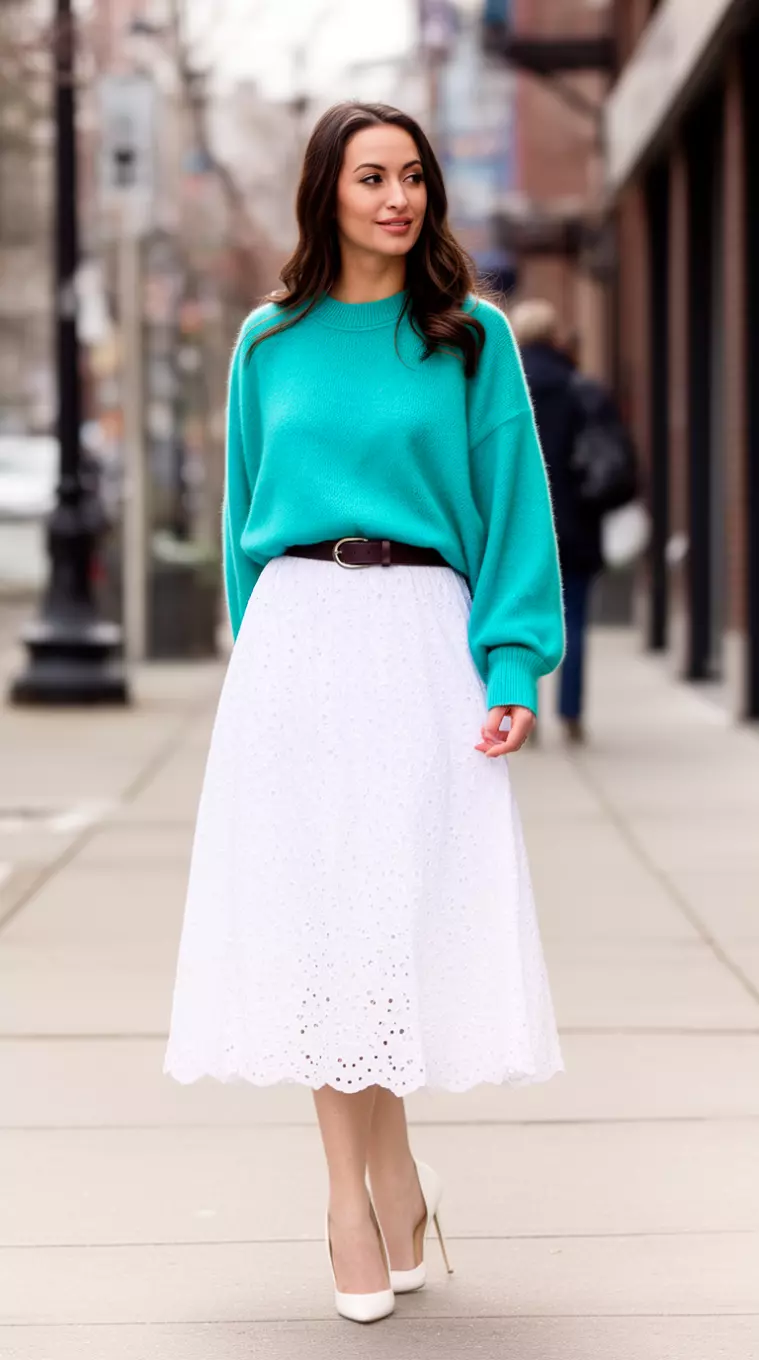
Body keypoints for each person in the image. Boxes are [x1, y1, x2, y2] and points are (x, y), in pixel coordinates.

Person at [164, 103, 564, 1325]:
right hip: (295, 644)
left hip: (419, 641)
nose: (396, 197)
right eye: (370, 176)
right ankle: (354, 1196)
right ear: (325, 193)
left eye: (413, 176)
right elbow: (245, 518)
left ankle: (395, 1176)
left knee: (385, 923)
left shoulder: (470, 339)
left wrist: (510, 665)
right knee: (324, 926)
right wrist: (262, 660)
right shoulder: (266, 342)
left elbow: (516, 515)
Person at [509, 300, 603, 744]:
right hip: (575, 523)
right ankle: (571, 715)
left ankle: (525, 713)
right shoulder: (578, 387)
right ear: (554, 336)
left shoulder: (504, 383)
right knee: (576, 623)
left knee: (519, 622)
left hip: (522, 526)